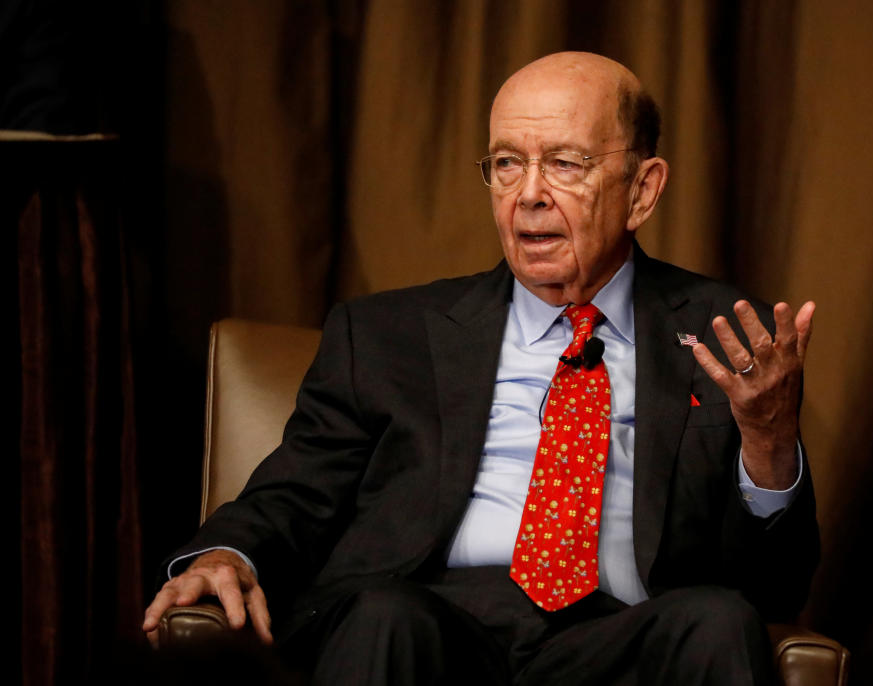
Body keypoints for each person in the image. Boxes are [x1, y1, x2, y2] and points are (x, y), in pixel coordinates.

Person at [143, 51, 818, 685]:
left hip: (623, 631)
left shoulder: (729, 335)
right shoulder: (385, 335)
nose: (528, 194)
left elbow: (775, 585)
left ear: (643, 190)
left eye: (564, 164)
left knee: (719, 621)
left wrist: (766, 439)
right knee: (382, 615)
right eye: (505, 163)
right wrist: (228, 553)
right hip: (430, 616)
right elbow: (296, 492)